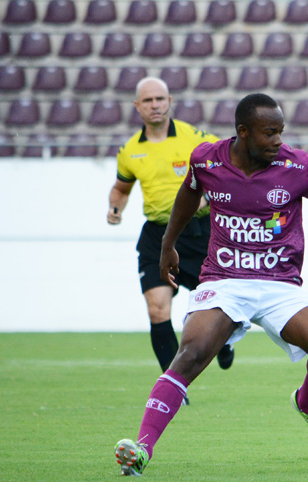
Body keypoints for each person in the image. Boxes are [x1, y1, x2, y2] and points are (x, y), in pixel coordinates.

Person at [114, 93, 308, 476]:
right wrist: (168, 245)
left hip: (279, 282)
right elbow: (188, 194)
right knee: (190, 354)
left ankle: (306, 403)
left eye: (280, 132)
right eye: (269, 133)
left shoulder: (297, 165)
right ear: (244, 132)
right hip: (224, 280)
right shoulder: (207, 160)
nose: (277, 141)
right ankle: (141, 450)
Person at [108, 77, 234, 401]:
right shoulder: (130, 151)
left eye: (159, 99)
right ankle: (173, 387)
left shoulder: (195, 138)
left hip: (200, 234)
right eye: (147, 100)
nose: (155, 105)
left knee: (225, 306)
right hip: (157, 236)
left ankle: (226, 342)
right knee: (157, 309)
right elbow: (121, 188)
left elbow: (227, 167)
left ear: (170, 101)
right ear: (137, 107)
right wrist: (115, 207)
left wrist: (210, 196)